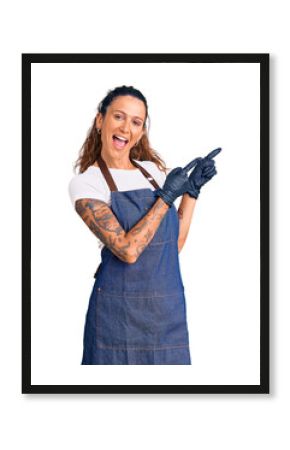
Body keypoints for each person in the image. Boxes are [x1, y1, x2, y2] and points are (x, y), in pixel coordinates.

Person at [68, 85, 220, 365]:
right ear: (100, 120)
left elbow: (172, 246)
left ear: (140, 132)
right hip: (116, 319)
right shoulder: (87, 183)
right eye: (119, 117)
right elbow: (128, 250)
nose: (126, 127)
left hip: (166, 315)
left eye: (136, 122)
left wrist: (192, 193)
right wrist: (165, 198)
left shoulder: (152, 172)